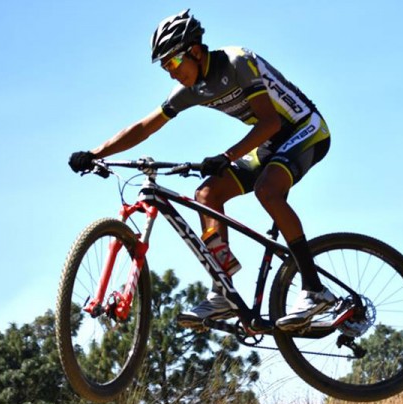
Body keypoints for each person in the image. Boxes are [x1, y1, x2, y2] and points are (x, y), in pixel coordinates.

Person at [68, 9, 335, 331]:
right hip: (269, 142)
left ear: (194, 50)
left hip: (305, 129)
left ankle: (314, 288)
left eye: (172, 63)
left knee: (267, 190)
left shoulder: (237, 62)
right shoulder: (189, 90)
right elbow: (143, 127)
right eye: (165, 67)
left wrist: (227, 156)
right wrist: (95, 153)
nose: (171, 74)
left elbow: (271, 122)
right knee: (207, 194)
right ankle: (222, 290)